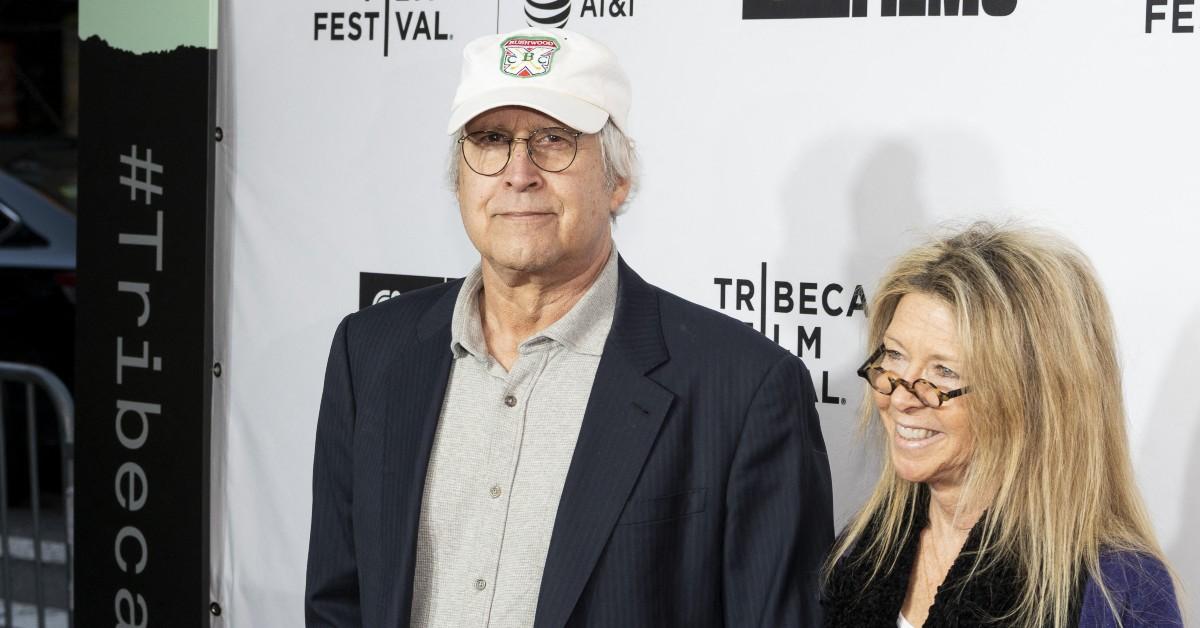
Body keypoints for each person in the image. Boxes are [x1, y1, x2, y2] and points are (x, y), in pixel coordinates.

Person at [305, 27, 834, 627]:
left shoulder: (742, 388)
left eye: (553, 140)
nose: (519, 173)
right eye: (490, 140)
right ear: (460, 177)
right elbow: (337, 603)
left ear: (618, 179)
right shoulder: (369, 353)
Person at [822, 223, 1183, 627]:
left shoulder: (1116, 590)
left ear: (1031, 399)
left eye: (944, 371)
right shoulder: (863, 554)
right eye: (894, 356)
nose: (902, 397)